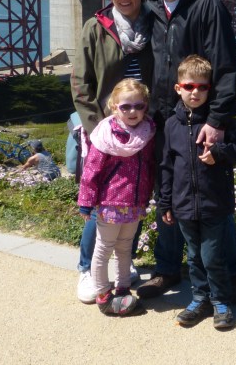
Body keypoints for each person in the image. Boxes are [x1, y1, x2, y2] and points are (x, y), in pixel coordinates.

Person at [138, 0, 236, 300]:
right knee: (168, 192)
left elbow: (225, 66)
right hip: (164, 120)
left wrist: (217, 120)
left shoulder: (207, 5)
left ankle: (228, 276)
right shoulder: (149, 9)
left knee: (212, 194)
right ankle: (167, 269)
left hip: (203, 119)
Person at [70, 0, 153, 303]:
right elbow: (79, 82)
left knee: (133, 198)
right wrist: (96, 130)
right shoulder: (96, 27)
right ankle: (88, 269)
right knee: (102, 203)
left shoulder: (155, 23)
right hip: (106, 129)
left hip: (143, 126)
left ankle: (124, 263)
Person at [158, 55, 236, 329]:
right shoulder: (171, 125)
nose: (195, 92)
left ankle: (221, 301)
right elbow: (166, 166)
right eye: (189, 86)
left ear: (210, 89)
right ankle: (199, 299)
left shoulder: (221, 124)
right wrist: (165, 203)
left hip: (214, 204)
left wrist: (219, 152)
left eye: (202, 87)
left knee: (212, 257)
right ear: (178, 88)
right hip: (184, 205)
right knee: (194, 257)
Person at [77, 79, 155, 316]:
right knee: (104, 248)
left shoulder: (147, 131)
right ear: (114, 106)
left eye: (139, 106)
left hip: (135, 202)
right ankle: (103, 293)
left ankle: (122, 289)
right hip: (110, 202)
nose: (133, 112)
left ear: (146, 107)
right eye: (126, 107)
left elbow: (150, 166)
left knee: (125, 248)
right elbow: (91, 169)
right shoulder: (105, 134)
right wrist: (86, 201)